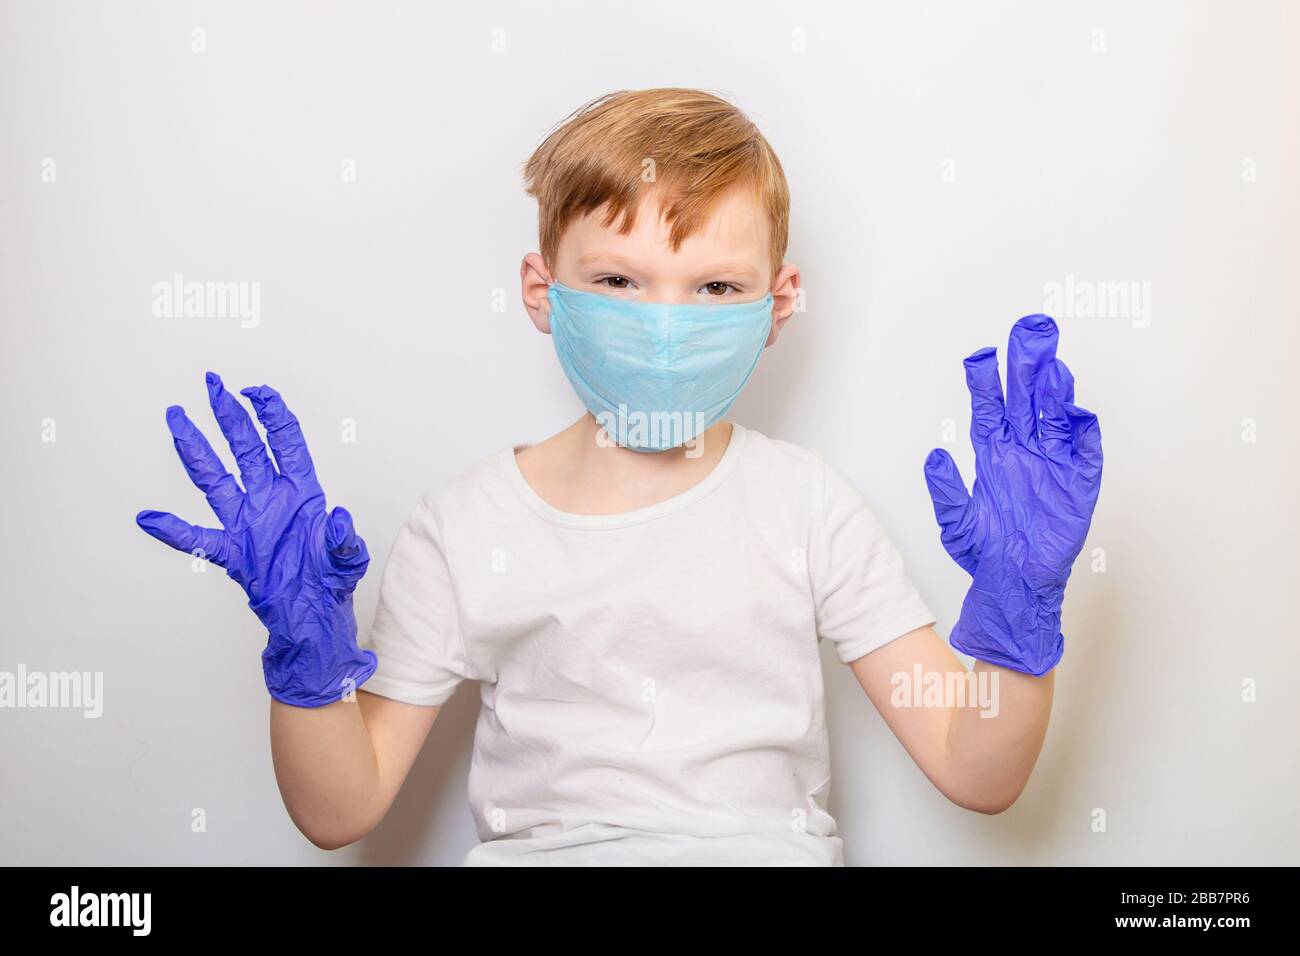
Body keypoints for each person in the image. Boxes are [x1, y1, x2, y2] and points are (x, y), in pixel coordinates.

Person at [136, 88, 1102, 866]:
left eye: (715, 287)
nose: (665, 324)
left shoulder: (809, 508)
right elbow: (341, 811)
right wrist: (307, 663)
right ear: (539, 290)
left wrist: (1018, 615)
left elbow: (976, 771)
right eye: (617, 280)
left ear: (779, 302)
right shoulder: (464, 525)